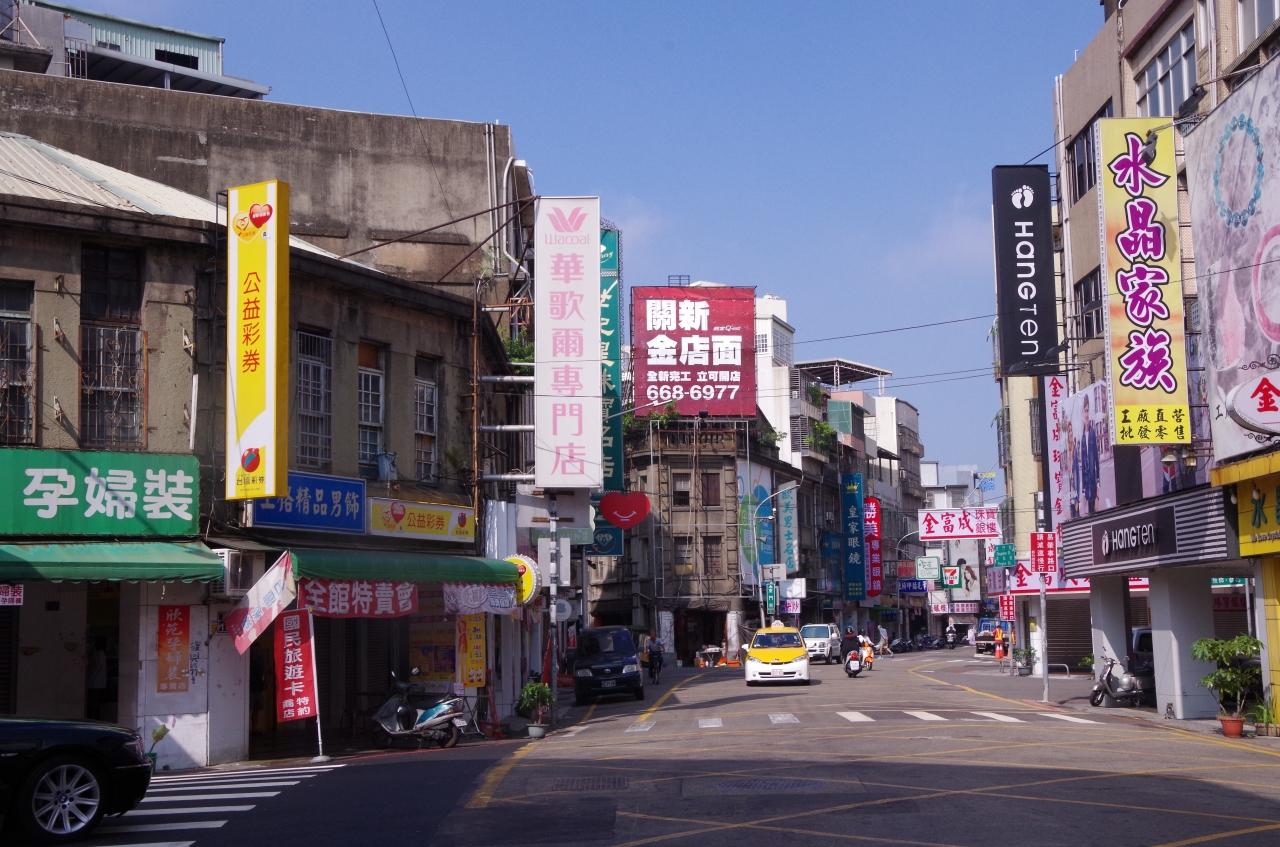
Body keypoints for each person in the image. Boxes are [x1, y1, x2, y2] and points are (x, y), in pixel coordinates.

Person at [87, 636, 108, 720]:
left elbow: (97, 667)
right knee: (95, 702)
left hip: (95, 683)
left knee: (94, 703)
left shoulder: (99, 654)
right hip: (97, 683)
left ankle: (94, 718)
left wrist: (90, 677)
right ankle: (95, 718)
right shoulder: (100, 653)